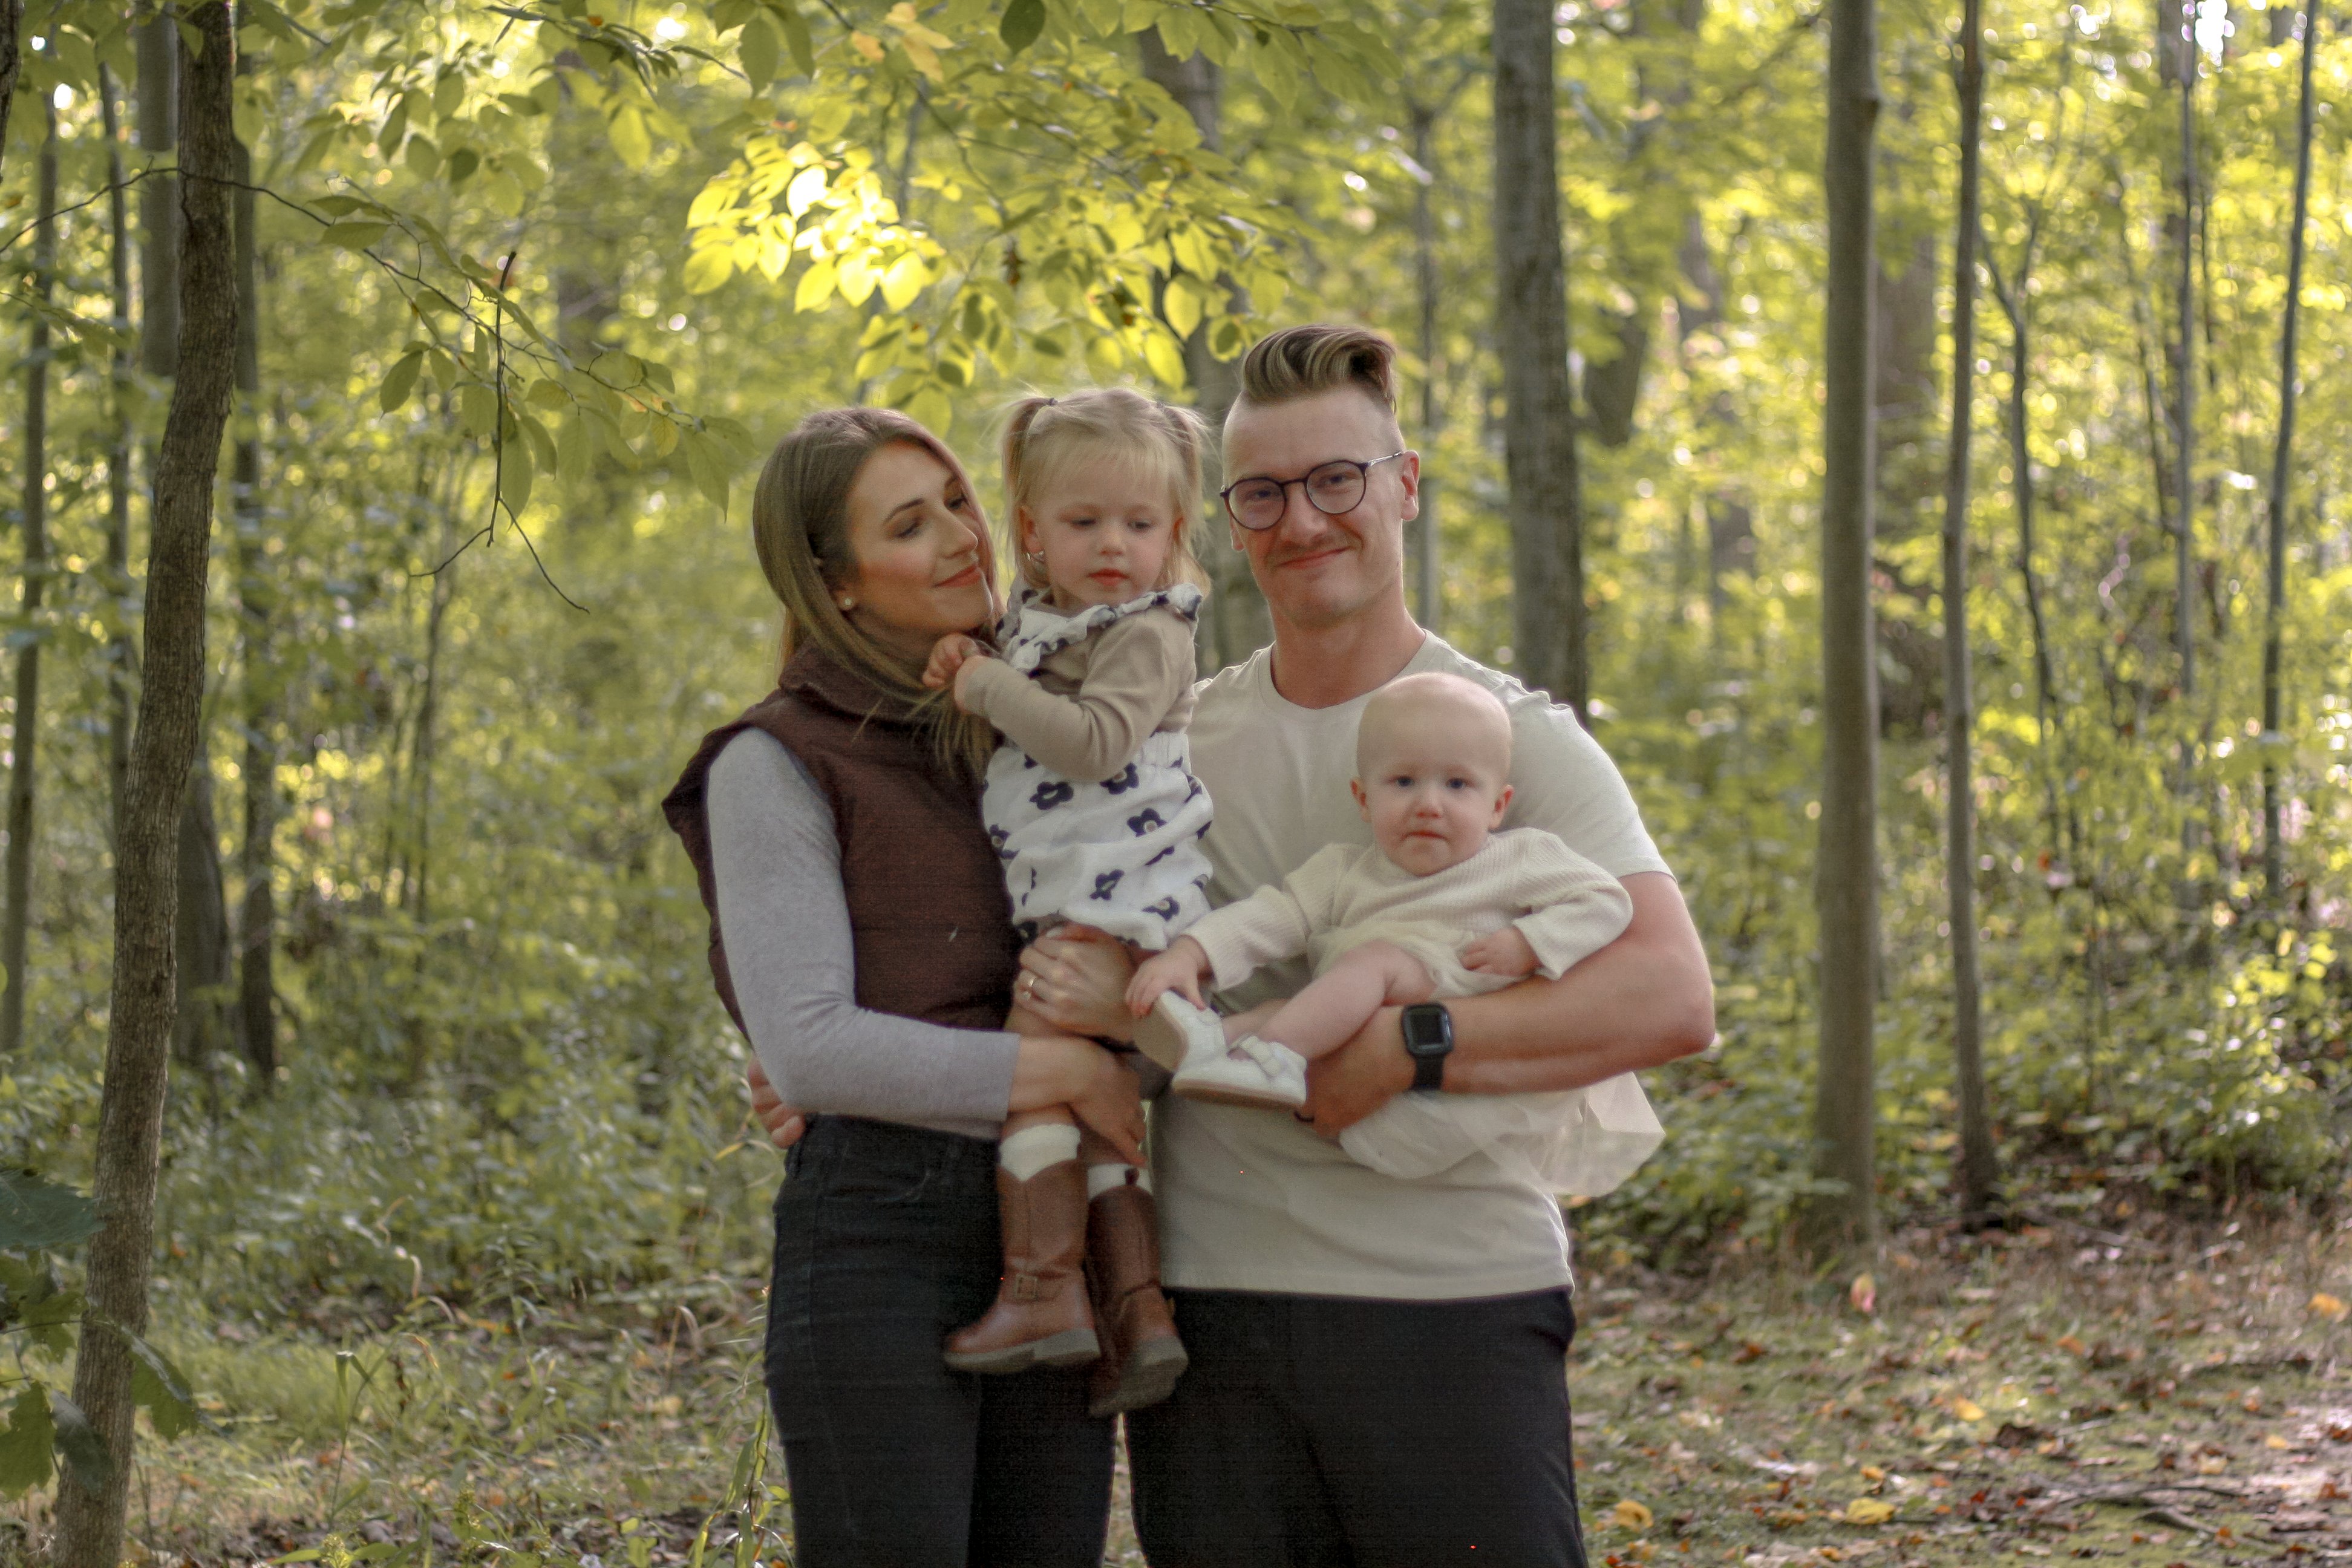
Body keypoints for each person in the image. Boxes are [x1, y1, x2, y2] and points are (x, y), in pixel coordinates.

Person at [1007, 323, 1716, 1567]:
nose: (1304, 519)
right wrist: (822, 1060)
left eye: (1339, 479)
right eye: (1264, 493)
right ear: (1228, 521)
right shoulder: (1174, 736)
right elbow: (1037, 915)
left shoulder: (1503, 737)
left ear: (1406, 485)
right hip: (1211, 1312)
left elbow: (1671, 994)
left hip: (1452, 1299)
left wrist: (1414, 1044)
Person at [661, 407, 1144, 1568]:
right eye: (907, 523)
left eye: (958, 501)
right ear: (835, 585)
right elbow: (816, 1048)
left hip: (1057, 1242)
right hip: (884, 1236)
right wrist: (1067, 1070)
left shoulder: (1042, 725)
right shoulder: (772, 762)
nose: (960, 538)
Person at [921, 388, 1212, 1414]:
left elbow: (1092, 743)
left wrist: (985, 687)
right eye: (1083, 523)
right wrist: (981, 660)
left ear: (1173, 533)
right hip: (1072, 894)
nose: (1113, 546)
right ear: (1032, 532)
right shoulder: (1040, 623)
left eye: (1139, 525)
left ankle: (1042, 1290)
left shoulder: (1148, 631)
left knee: (1033, 1085)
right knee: (1087, 1116)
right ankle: (1136, 1310)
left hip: (1118, 897)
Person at [1125, 671, 1642, 1198]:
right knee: (1278, 1008)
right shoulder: (1346, 872)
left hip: (1444, 1068)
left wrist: (1532, 941)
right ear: (1363, 798)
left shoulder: (1517, 859)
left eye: (1457, 785)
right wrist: (1192, 953)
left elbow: (1606, 901)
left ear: (1497, 806)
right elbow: (1271, 918)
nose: (1429, 804)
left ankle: (1273, 1057)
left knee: (1373, 963)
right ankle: (1211, 1049)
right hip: (1353, 1086)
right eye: (1403, 782)